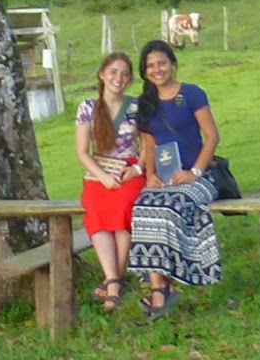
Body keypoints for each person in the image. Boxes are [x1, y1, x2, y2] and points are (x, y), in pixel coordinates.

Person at [126, 38, 222, 319]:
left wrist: (195, 173)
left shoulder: (192, 94)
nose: (157, 69)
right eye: (151, 66)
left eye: (162, 63)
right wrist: (150, 176)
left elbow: (212, 137)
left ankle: (175, 279)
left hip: (198, 176)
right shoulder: (145, 104)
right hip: (165, 178)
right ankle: (160, 287)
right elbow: (149, 146)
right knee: (143, 206)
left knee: (170, 207)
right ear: (145, 71)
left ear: (173, 64)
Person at [75, 50, 147, 312]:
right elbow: (83, 152)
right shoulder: (88, 108)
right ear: (102, 74)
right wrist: (103, 177)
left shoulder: (137, 107)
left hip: (129, 170)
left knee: (125, 206)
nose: (119, 78)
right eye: (113, 72)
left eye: (125, 74)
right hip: (100, 171)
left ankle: (113, 282)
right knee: (96, 211)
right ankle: (114, 278)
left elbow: (147, 145)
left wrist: (137, 169)